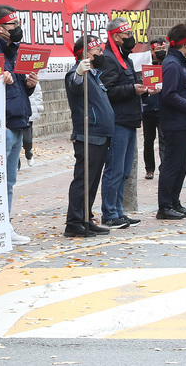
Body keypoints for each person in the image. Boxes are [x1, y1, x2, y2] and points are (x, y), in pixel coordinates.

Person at [0, 6, 38, 243]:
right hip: (1, 126)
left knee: (9, 180)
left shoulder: (14, 51)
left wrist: (30, 84)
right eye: (12, 25)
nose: (17, 29)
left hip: (18, 122)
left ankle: (4, 224)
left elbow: (17, 89)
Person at [63, 35, 116, 237]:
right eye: (97, 51)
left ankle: (86, 217)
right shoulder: (78, 73)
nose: (101, 54)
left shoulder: (94, 74)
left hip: (100, 135)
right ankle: (74, 222)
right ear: (87, 54)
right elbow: (74, 85)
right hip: (88, 135)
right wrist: (79, 72)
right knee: (83, 180)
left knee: (92, 181)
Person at [97, 17, 146, 228]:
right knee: (114, 170)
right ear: (116, 36)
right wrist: (131, 89)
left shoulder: (126, 58)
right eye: (127, 35)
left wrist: (143, 89)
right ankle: (109, 213)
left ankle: (118, 211)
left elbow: (128, 84)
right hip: (117, 121)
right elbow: (107, 91)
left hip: (130, 120)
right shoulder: (109, 58)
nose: (131, 38)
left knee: (125, 171)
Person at [157, 23, 186, 219]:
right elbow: (169, 95)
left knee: (181, 165)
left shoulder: (179, 62)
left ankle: (175, 202)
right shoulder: (172, 64)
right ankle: (165, 206)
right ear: (185, 44)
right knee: (172, 165)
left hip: (183, 122)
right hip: (174, 123)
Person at [142, 38, 168, 180]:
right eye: (158, 50)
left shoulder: (168, 65)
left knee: (164, 139)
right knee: (148, 140)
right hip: (148, 108)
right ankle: (149, 169)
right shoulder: (145, 66)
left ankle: (164, 167)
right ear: (151, 51)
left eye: (163, 49)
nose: (161, 52)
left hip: (163, 108)